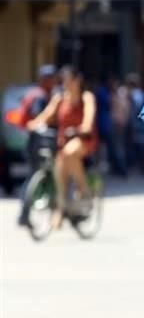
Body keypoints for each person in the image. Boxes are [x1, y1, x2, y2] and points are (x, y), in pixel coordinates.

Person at [27, 66, 99, 230]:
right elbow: (47, 114)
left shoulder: (86, 97)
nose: (66, 84)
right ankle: (60, 209)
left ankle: (83, 189)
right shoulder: (60, 98)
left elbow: (89, 115)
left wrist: (84, 127)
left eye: (69, 80)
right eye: (64, 81)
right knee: (59, 173)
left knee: (70, 152)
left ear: (77, 81)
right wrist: (33, 124)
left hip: (82, 139)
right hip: (63, 141)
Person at [15, 65, 59, 224]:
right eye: (52, 79)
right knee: (35, 176)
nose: (54, 82)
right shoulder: (40, 96)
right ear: (46, 80)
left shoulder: (36, 93)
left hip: (33, 140)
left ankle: (26, 213)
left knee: (34, 175)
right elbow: (38, 119)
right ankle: (25, 213)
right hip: (38, 141)